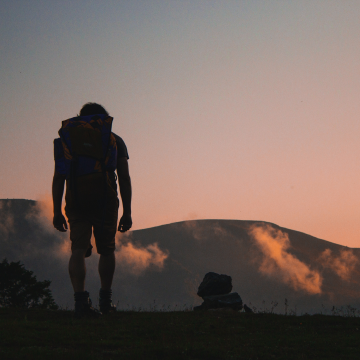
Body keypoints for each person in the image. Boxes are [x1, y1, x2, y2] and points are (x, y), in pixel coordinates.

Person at [52, 103, 132, 317]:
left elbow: (59, 177)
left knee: (77, 249)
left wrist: (56, 210)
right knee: (106, 249)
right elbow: (123, 177)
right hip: (104, 198)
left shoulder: (68, 139)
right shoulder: (113, 140)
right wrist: (127, 211)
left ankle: (80, 303)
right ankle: (105, 302)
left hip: (76, 197)